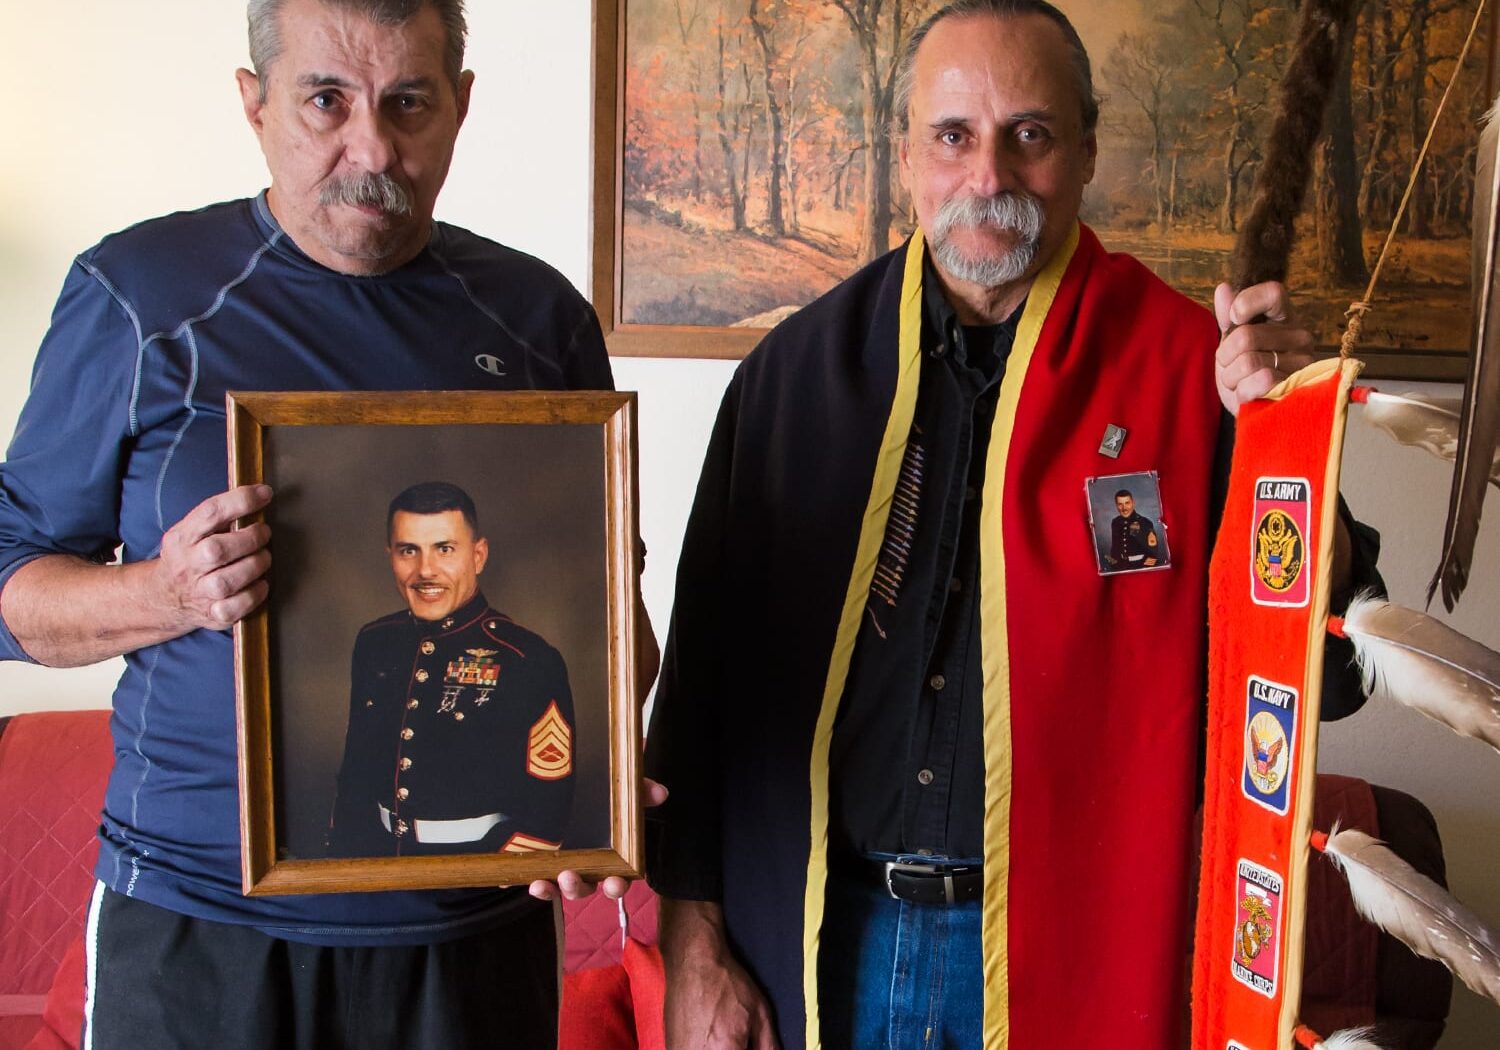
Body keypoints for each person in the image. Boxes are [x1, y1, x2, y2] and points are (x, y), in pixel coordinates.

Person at [642, 2, 1379, 1048]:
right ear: (905, 155)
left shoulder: (1194, 377)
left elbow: (1336, 678)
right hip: (815, 946)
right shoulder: (787, 380)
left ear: (1085, 147)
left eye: (1028, 135)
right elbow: (701, 699)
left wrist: (1289, 440)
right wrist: (694, 948)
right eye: (953, 136)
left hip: (1075, 965)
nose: (988, 175)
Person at [0, 1, 654, 1046]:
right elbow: (9, 586)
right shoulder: (138, 296)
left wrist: (588, 790)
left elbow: (616, 631)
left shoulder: (539, 320)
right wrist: (159, 594)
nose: (372, 149)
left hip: (470, 939)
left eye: (408, 103)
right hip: (196, 928)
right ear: (254, 104)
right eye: (325, 101)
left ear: (461, 107)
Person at [327, 481, 576, 858]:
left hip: (479, 874)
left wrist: (487, 881)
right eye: (408, 550)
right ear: (390, 555)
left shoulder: (527, 658)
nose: (425, 570)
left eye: (444, 549)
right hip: (377, 863)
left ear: (478, 555)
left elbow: (547, 811)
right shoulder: (375, 642)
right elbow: (355, 774)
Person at [1107, 488, 1163, 570]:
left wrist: (1148, 566)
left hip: (1140, 564)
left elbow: (1153, 549)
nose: (1124, 508)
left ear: (1133, 503)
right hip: (1121, 565)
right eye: (1120, 504)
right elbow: (1115, 547)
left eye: (1127, 503)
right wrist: (1113, 564)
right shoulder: (1115, 522)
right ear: (1116, 505)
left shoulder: (1144, 522)